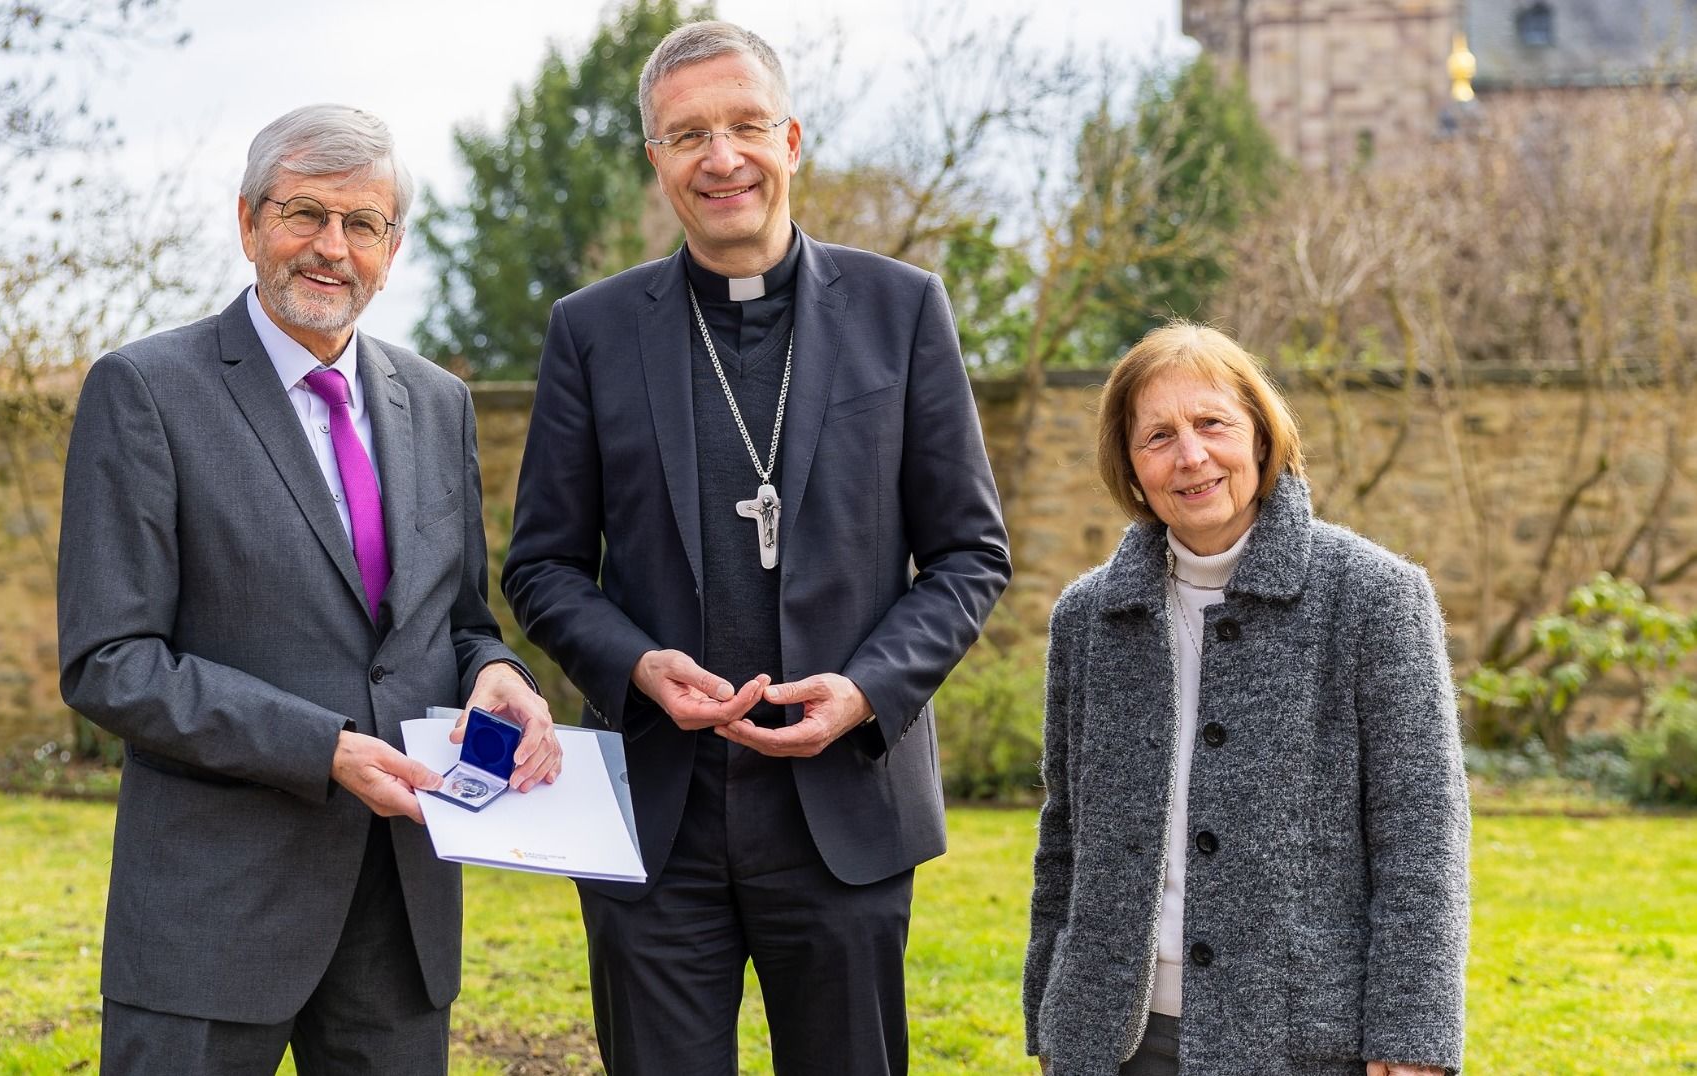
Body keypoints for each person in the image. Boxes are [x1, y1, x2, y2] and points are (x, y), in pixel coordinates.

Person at [501, 19, 1011, 1076]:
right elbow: (541, 566)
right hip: (655, 817)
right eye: (687, 135)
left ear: (790, 139)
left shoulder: (901, 310)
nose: (719, 157)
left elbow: (968, 553)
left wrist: (867, 687)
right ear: (656, 161)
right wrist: (636, 663)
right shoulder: (589, 332)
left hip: (843, 808)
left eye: (742, 126)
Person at [57, 104, 559, 1075]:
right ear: (248, 222)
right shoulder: (147, 391)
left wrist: (497, 670)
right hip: (214, 913)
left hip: (400, 913)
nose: (332, 247)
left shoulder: (438, 402)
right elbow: (109, 660)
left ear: (392, 246)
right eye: (303, 214)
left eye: (362, 223)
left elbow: (455, 618)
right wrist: (319, 747)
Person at [1022, 322, 1468, 1076]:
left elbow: (1422, 838)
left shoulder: (1373, 597)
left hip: (1301, 1037)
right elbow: (1065, 831)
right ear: (1129, 466)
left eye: (1211, 424)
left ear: (1261, 436)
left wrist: (1411, 1036)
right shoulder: (1087, 615)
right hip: (1111, 1038)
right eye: (1156, 436)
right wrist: (1051, 1009)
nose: (1189, 456)